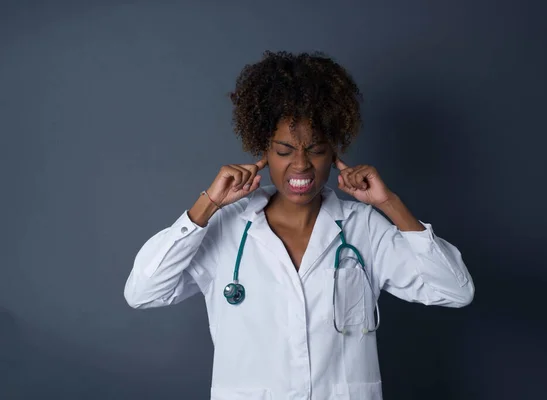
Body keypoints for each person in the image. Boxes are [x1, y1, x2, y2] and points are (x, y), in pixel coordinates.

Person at [124, 50, 474, 400]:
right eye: (285, 150)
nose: (301, 165)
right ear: (264, 151)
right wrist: (207, 205)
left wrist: (389, 204)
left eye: (316, 150)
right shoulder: (226, 227)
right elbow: (143, 292)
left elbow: (455, 291)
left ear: (334, 153)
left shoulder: (364, 228)